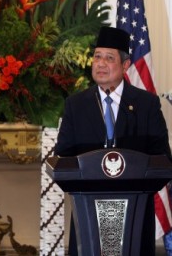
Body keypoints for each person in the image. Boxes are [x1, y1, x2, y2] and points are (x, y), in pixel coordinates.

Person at [54, 26, 171, 255]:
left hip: (134, 215)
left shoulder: (146, 104)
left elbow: (163, 160)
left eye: (109, 58)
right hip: (87, 212)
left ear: (125, 66)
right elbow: (63, 158)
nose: (100, 64)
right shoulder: (76, 105)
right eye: (97, 57)